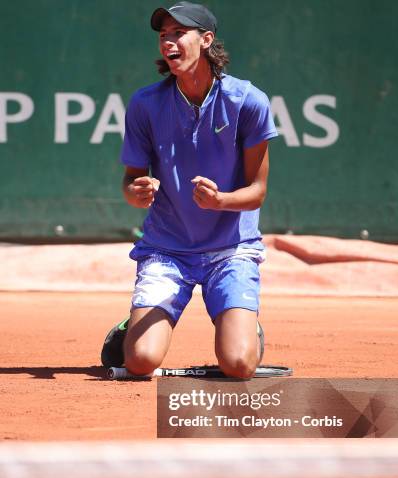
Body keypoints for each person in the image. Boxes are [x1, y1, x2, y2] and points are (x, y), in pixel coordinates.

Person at [101, 1, 278, 379]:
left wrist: (221, 201)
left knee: (239, 364)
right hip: (167, 249)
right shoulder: (145, 104)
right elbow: (131, 180)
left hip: (231, 249)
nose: (168, 42)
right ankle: (129, 330)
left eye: (179, 33)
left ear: (206, 40)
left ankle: (245, 328)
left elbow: (257, 191)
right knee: (141, 361)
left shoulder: (248, 101)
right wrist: (137, 191)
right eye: (164, 35)